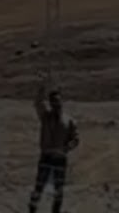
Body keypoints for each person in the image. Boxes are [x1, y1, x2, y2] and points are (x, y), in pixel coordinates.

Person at [27, 85, 79, 213]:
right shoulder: (45, 117)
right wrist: (41, 88)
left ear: (61, 101)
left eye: (58, 100)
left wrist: (68, 147)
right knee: (39, 186)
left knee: (58, 189)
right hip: (46, 156)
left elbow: (76, 139)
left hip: (60, 158)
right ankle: (32, 210)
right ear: (50, 103)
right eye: (53, 101)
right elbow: (37, 103)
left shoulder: (70, 121)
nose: (56, 103)